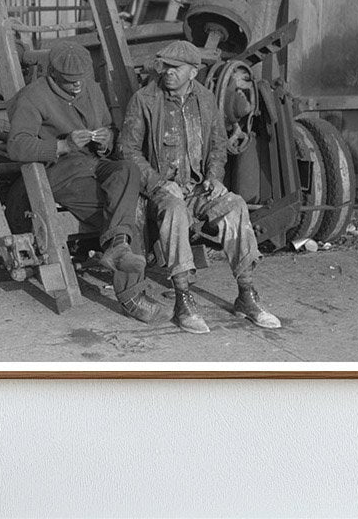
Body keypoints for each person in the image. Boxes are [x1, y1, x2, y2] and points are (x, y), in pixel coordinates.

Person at [119, 39, 281, 335]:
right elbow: (128, 151)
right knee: (175, 211)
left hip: (198, 189)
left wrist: (214, 177)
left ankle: (246, 294)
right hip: (160, 191)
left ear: (193, 72)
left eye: (175, 68)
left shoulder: (205, 99)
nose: (167, 72)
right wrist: (159, 182)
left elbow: (219, 145)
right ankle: (183, 300)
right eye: (164, 66)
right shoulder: (144, 99)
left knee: (235, 206)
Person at [6, 42, 162, 323]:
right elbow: (17, 146)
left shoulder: (90, 87)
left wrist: (106, 140)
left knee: (128, 170)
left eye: (81, 80)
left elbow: (108, 129)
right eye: (70, 82)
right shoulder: (31, 97)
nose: (77, 87)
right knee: (128, 210)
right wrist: (62, 145)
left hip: (93, 161)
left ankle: (116, 247)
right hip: (62, 172)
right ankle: (130, 294)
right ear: (52, 74)